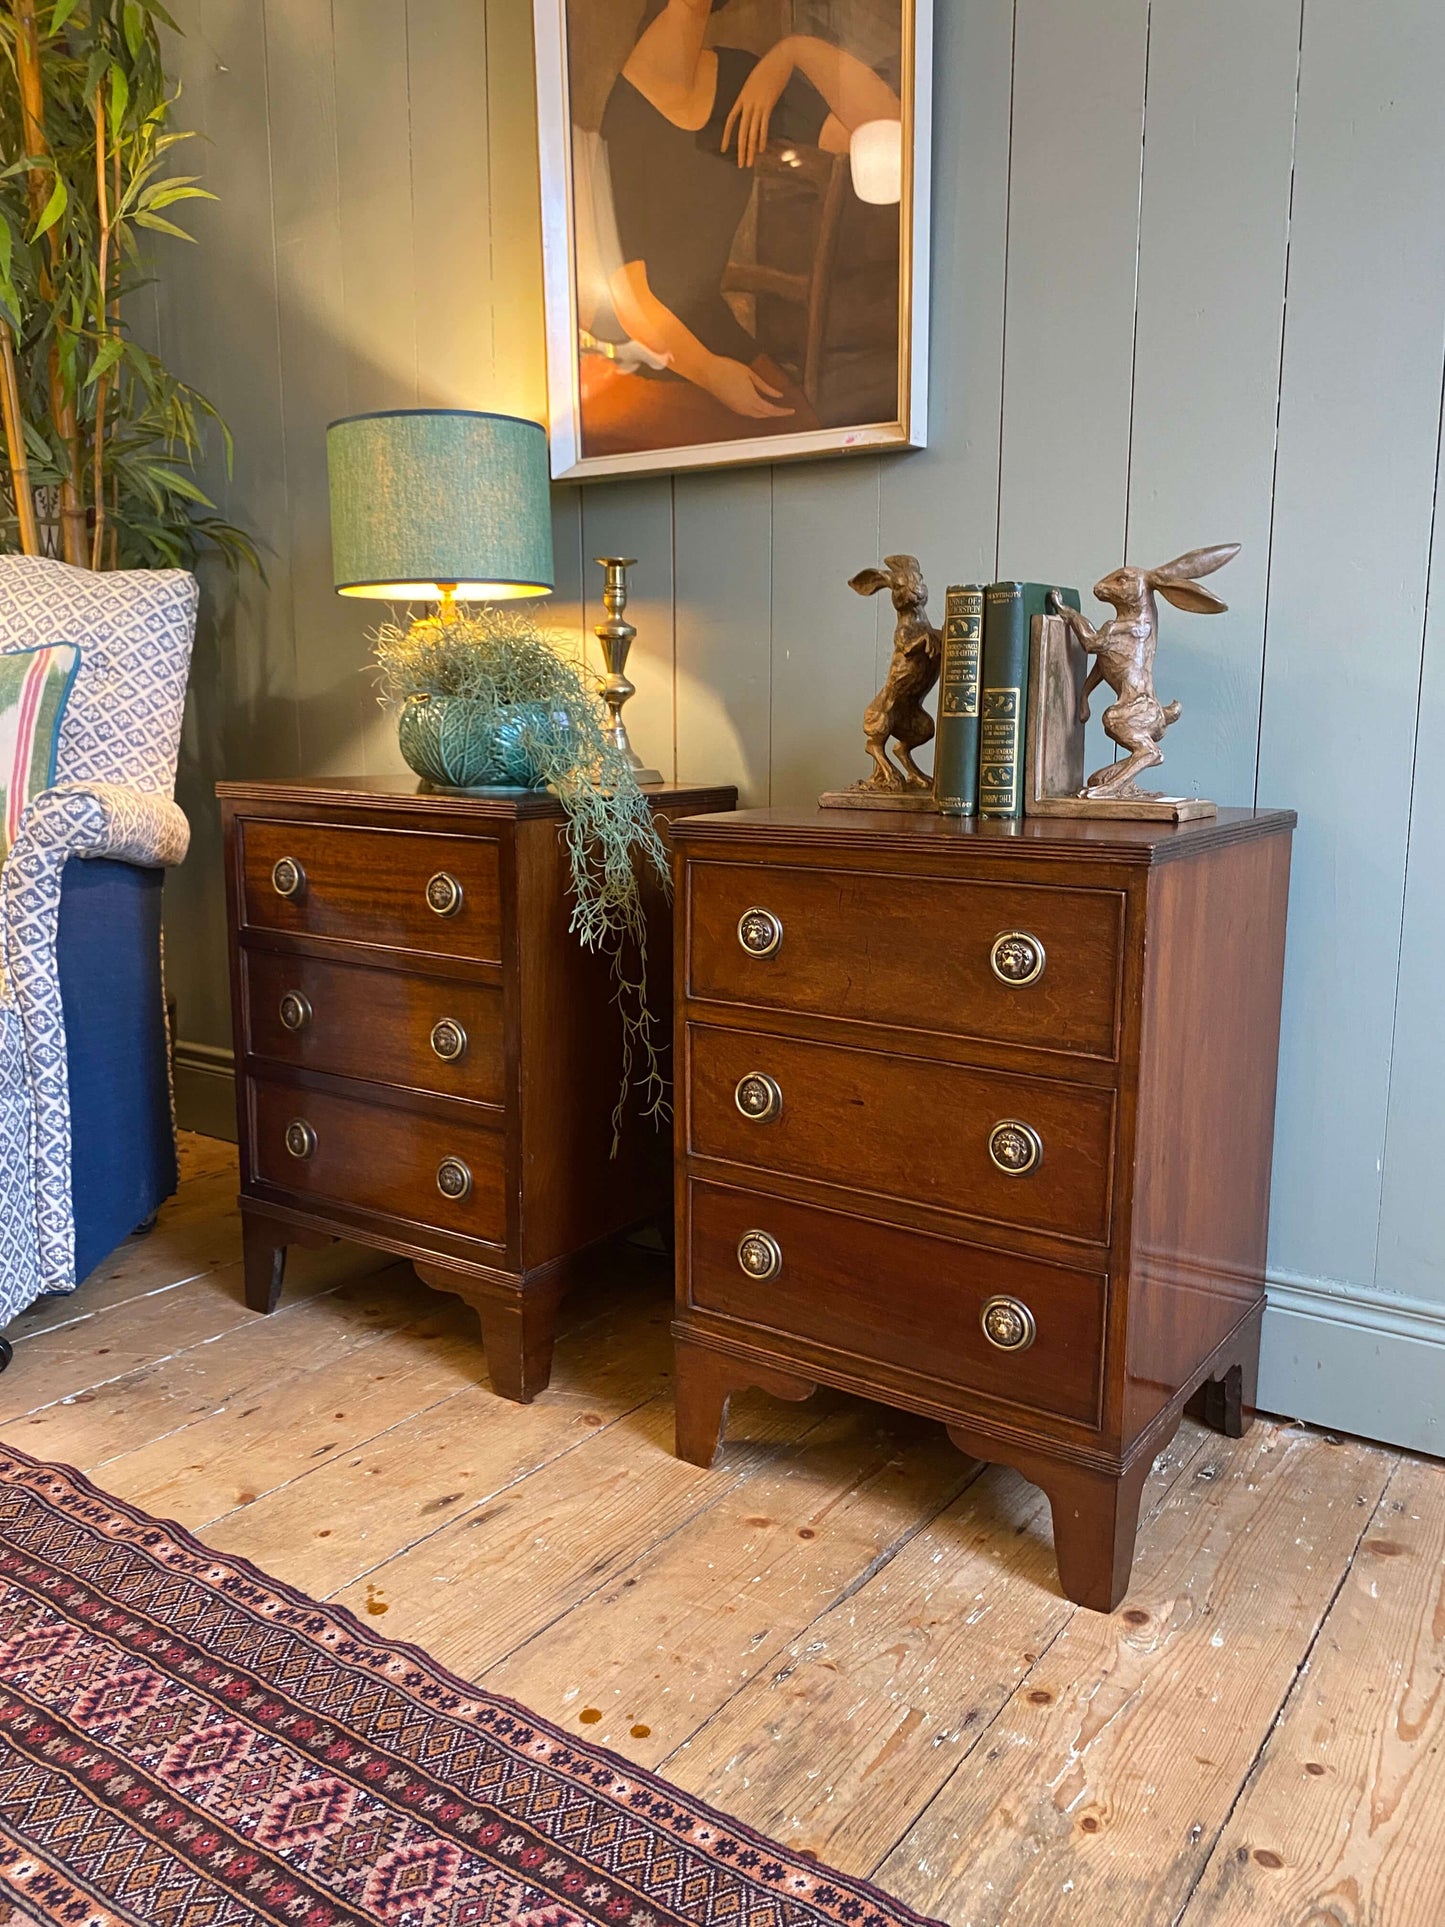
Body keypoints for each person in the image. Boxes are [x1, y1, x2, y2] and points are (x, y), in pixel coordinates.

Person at [581, 0, 901, 455]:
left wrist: (794, 52)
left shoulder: (742, 79)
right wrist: (712, 373)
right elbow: (630, 298)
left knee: (810, 449)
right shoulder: (627, 116)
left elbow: (890, 134)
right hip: (646, 357)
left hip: (718, 335)